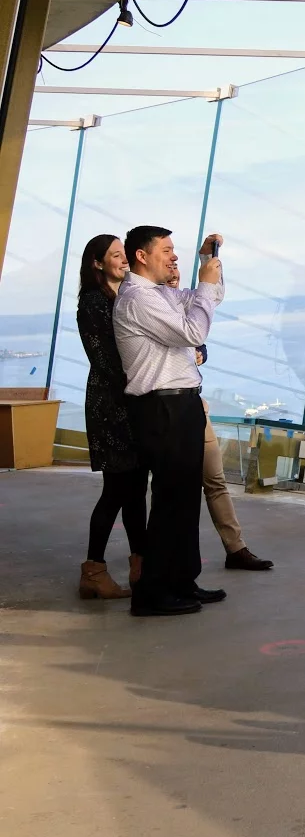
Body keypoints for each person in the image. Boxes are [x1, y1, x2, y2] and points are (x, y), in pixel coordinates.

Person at [112, 226, 226, 617]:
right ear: (141, 256)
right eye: (167, 250)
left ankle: (181, 580)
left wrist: (204, 265)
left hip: (182, 405)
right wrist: (206, 284)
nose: (173, 257)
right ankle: (152, 594)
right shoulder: (137, 299)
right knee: (167, 502)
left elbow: (207, 298)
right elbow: (194, 330)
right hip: (161, 409)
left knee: (183, 499)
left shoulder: (160, 294)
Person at [163, 271, 273, 571]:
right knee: (171, 487)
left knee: (215, 479)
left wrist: (210, 262)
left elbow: (202, 324)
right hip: (165, 409)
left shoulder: (184, 302)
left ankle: (236, 548)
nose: (174, 273)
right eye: (167, 266)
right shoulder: (150, 306)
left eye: (176, 271)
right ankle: (158, 557)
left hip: (195, 403)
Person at [75, 234, 146, 599]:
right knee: (117, 489)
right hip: (112, 406)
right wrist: (144, 385)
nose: (123, 260)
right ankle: (93, 570)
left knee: (134, 491)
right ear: (97, 263)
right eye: (115, 255)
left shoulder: (122, 298)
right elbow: (105, 362)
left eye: (124, 254)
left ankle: (139, 566)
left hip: (128, 403)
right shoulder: (93, 303)